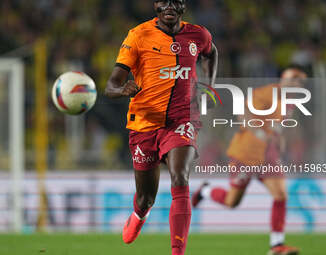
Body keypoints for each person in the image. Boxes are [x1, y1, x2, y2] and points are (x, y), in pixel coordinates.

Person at [104, 1, 218, 254]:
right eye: (163, 0)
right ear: (155, 5)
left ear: (183, 6)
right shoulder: (138, 35)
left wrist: (208, 87)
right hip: (145, 124)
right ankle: (139, 214)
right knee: (146, 198)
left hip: (182, 120)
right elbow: (110, 85)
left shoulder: (198, 34)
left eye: (175, 1)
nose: (169, 5)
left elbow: (211, 53)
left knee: (180, 177)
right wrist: (122, 90)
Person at [192, 66, 307, 255]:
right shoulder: (268, 93)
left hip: (267, 157)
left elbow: (279, 126)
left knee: (280, 195)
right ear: (283, 79)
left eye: (301, 81)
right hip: (245, 153)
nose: (297, 84)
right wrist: (259, 132)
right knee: (232, 202)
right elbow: (243, 113)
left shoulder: (291, 102)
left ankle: (277, 246)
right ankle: (205, 190)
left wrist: (280, 141)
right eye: (293, 79)